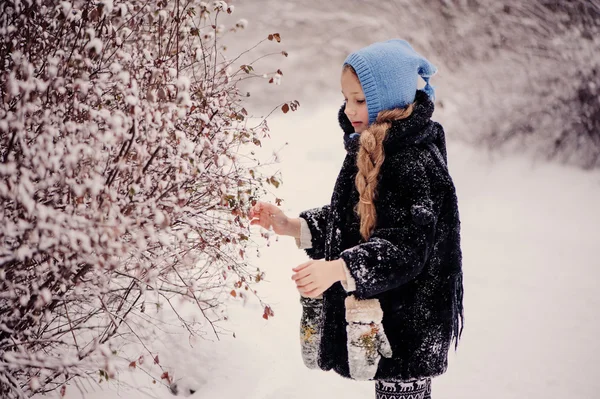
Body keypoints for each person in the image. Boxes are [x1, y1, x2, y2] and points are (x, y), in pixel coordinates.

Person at [249, 39, 463, 399]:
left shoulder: (411, 161)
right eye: (346, 98)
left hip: (409, 321)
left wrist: (338, 268)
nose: (349, 109)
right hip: (383, 316)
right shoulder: (370, 147)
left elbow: (406, 247)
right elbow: (354, 218)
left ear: (392, 97)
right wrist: (292, 226)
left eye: (360, 100)